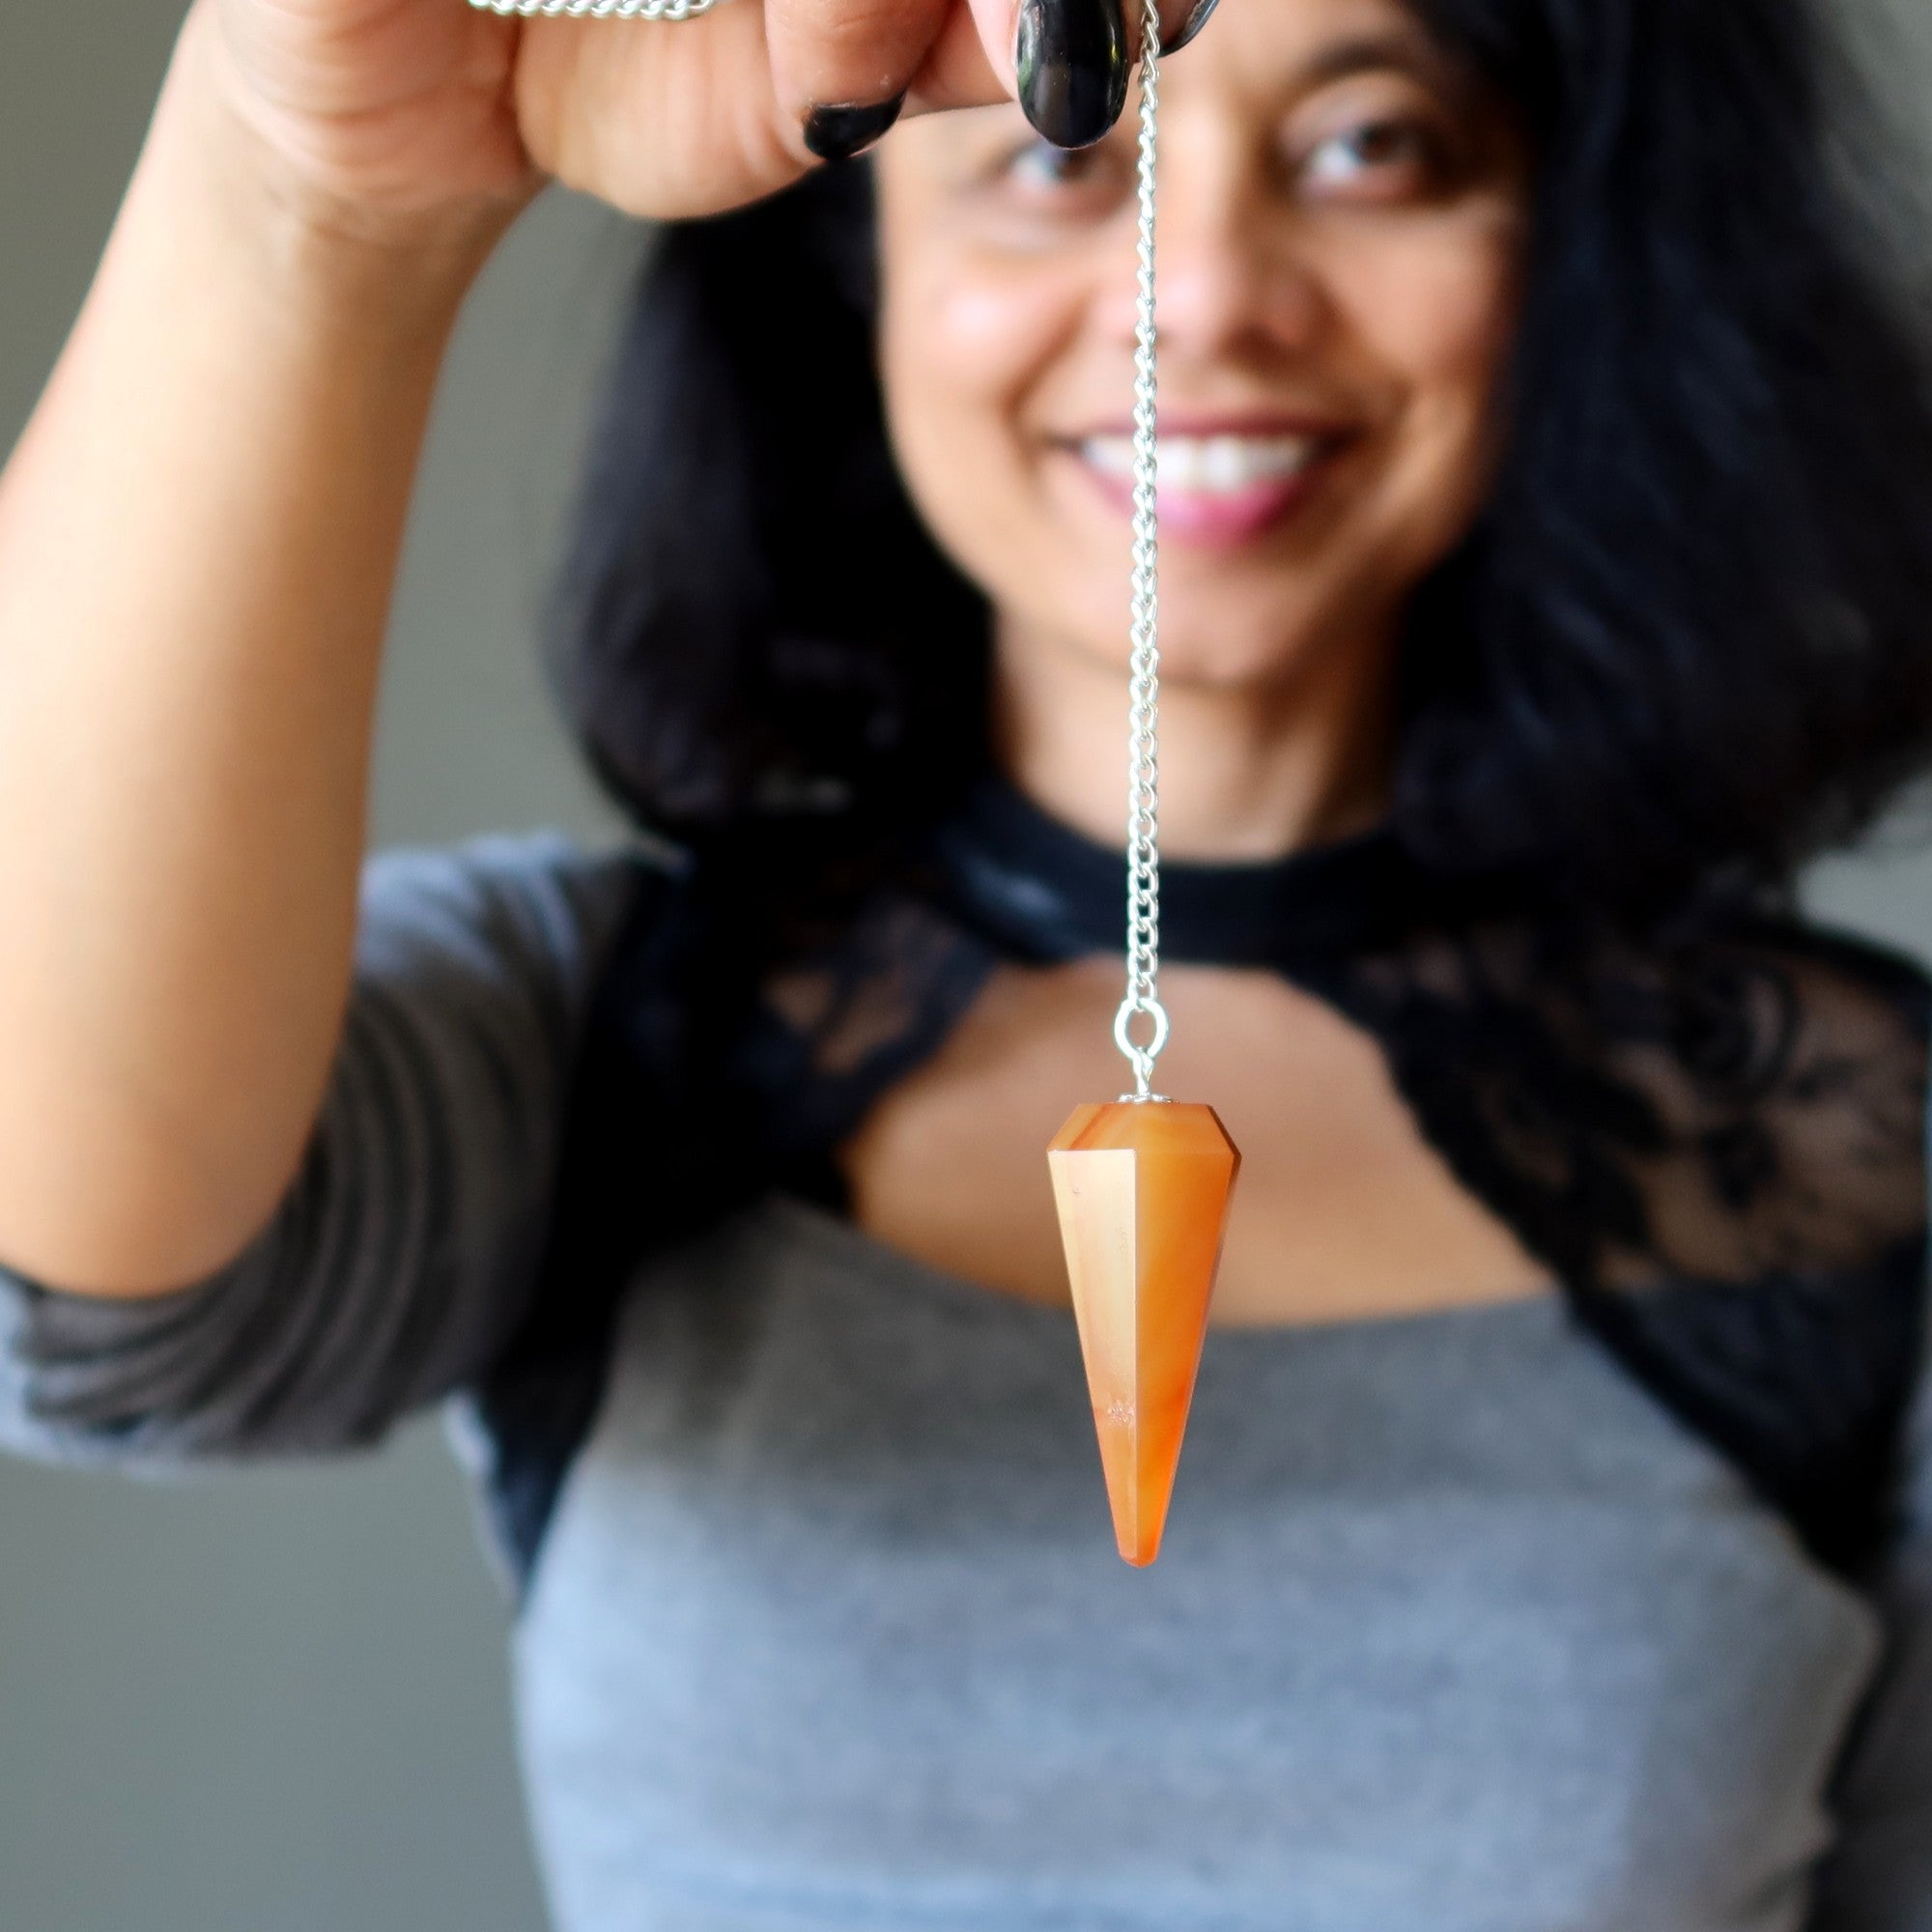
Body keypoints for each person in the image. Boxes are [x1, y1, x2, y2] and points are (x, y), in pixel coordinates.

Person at [2, 0, 1930, 1923]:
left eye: (1372, 144)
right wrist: (310, 190)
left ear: (1573, 237)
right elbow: (81, 1305)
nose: (1204, 296)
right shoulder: (587, 1024)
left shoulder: (1858, 1143)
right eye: (1058, 150)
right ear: (863, 264)